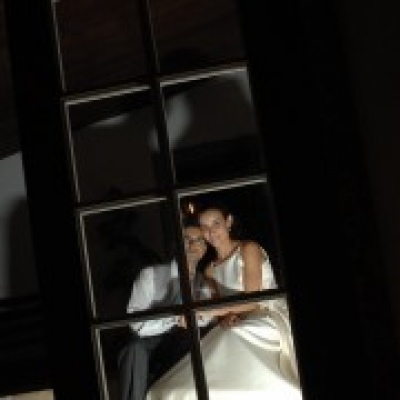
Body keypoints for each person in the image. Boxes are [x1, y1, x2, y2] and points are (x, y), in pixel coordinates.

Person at [146, 202, 302, 400]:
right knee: (215, 347)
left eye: (216, 223)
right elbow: (222, 307)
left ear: (228, 222)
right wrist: (223, 318)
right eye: (204, 227)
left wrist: (211, 312)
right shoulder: (210, 270)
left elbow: (253, 300)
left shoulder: (248, 248)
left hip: (267, 312)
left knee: (238, 334)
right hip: (239, 320)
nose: (211, 231)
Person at [118, 221, 210, 400]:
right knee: (134, 349)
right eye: (186, 239)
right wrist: (175, 319)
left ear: (204, 249)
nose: (192, 244)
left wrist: (194, 319)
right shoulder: (150, 275)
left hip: (185, 343)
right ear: (176, 245)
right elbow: (136, 324)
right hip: (150, 343)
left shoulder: (204, 282)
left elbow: (206, 317)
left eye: (199, 240)